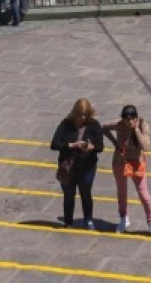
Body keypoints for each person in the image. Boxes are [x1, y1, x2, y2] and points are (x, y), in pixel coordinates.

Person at [102, 104, 151, 237]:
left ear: (135, 118)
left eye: (130, 120)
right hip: (120, 162)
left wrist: (136, 131)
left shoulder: (142, 125)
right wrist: (115, 143)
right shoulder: (119, 124)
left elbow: (146, 146)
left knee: (143, 194)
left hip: (136, 163)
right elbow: (103, 127)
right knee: (121, 191)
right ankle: (123, 217)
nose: (127, 123)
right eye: (125, 120)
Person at [50, 98, 104, 230]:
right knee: (68, 195)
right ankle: (68, 220)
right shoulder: (65, 124)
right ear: (74, 113)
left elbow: (100, 146)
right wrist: (71, 145)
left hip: (86, 167)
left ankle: (88, 219)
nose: (81, 119)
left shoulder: (94, 125)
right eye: (79, 116)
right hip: (68, 166)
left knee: (86, 194)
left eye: (85, 116)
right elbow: (54, 144)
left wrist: (91, 148)